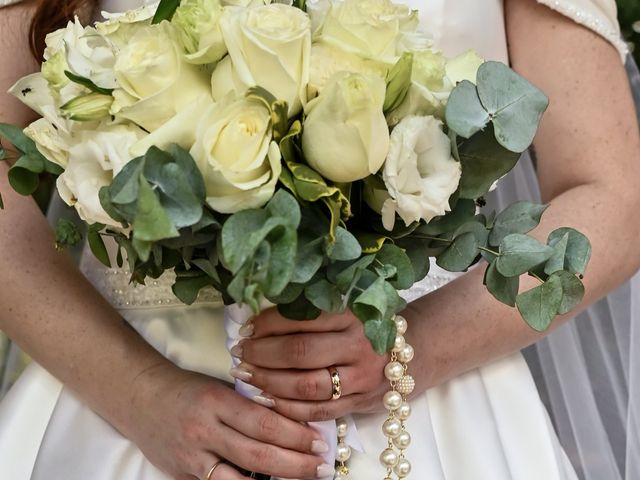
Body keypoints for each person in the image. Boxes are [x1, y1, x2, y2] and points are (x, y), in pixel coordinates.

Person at [0, 1, 638, 480]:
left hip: (434, 413)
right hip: (132, 412)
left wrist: (415, 347)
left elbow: (614, 194)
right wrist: (141, 394)